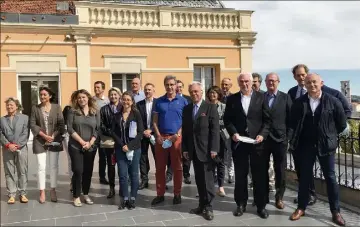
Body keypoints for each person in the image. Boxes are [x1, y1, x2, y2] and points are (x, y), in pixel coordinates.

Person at [289, 73, 346, 226]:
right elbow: (292, 123)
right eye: (308, 83)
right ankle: (301, 208)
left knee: (331, 178)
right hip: (305, 145)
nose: (311, 85)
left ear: (321, 83)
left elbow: (341, 124)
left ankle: (336, 211)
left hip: (326, 146)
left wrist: (329, 135)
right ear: (305, 85)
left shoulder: (333, 101)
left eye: (314, 82)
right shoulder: (299, 102)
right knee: (304, 178)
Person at [223, 72, 271, 219]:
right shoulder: (232, 99)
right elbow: (227, 120)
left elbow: (267, 120)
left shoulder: (262, 97)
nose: (245, 84)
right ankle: (241, 204)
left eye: (247, 81)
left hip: (258, 144)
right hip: (240, 143)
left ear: (252, 82)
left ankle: (261, 205)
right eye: (242, 81)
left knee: (260, 176)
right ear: (238, 83)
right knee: (241, 175)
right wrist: (233, 133)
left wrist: (262, 134)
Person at [182, 82, 219, 221]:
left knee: (208, 181)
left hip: (207, 151)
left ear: (202, 92)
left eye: (196, 91)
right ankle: (201, 205)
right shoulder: (187, 109)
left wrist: (214, 148)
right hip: (193, 150)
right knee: (199, 179)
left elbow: (215, 130)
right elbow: (185, 131)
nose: (194, 94)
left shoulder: (210, 107)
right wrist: (185, 148)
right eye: (191, 92)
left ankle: (209, 207)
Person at [151, 75, 188, 206]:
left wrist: (178, 134)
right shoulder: (159, 101)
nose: (170, 87)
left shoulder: (183, 101)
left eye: (172, 84)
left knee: (177, 168)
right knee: (160, 168)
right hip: (162, 138)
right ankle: (160, 194)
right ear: (164, 85)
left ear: (176, 85)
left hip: (177, 138)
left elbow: (186, 121)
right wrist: (158, 135)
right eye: (167, 84)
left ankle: (177, 194)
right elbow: (154, 121)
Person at [287, 64, 317, 205]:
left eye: (303, 74)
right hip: (296, 137)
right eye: (298, 75)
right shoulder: (291, 92)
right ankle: (303, 194)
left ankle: (311, 194)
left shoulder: (315, 89)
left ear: (307, 74)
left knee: (308, 167)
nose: (301, 77)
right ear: (294, 77)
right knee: (299, 167)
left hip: (311, 136)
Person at [30, 86, 65, 204]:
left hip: (54, 140)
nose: (42, 96)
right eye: (41, 94)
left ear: (50, 96)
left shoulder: (56, 107)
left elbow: (61, 124)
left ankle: (53, 189)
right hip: (40, 140)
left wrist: (53, 136)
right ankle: (42, 191)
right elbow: (33, 124)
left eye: (44, 94)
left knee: (54, 166)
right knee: (41, 166)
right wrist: (44, 136)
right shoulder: (35, 108)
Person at [263, 73, 292, 209]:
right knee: (261, 169)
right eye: (269, 81)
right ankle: (262, 197)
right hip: (263, 139)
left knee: (280, 170)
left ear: (278, 82)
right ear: (265, 82)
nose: (271, 83)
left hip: (280, 139)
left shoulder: (286, 98)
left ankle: (279, 197)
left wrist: (288, 137)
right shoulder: (260, 98)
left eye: (273, 81)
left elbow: (292, 119)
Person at [67, 89, 100, 207]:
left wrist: (90, 143)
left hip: (90, 147)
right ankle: (76, 196)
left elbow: (98, 129)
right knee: (78, 170)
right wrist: (82, 142)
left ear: (88, 98)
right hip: (76, 145)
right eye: (79, 97)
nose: (81, 99)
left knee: (88, 171)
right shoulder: (72, 111)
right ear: (76, 99)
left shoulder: (95, 111)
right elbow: (70, 129)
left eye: (84, 97)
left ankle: (85, 193)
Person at [112, 91, 143, 210]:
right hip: (120, 149)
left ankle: (133, 198)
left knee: (134, 174)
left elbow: (140, 133)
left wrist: (129, 146)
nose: (126, 102)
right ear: (121, 100)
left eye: (128, 100)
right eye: (124, 99)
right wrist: (122, 145)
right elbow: (113, 132)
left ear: (132, 102)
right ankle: (125, 198)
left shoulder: (136, 114)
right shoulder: (117, 115)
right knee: (123, 175)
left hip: (134, 149)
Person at [137, 83, 170, 190]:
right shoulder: (139, 104)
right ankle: (144, 180)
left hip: (155, 135)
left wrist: (151, 130)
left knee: (159, 158)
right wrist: (144, 131)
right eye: (146, 90)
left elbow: (160, 119)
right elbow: (138, 120)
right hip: (143, 135)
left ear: (153, 90)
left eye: (149, 90)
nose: (147, 92)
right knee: (143, 158)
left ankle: (161, 181)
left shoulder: (158, 103)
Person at [0, 97, 29, 204]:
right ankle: (11, 194)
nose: (9, 106)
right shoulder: (2, 119)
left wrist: (16, 145)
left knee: (22, 171)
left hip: (21, 148)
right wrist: (8, 145)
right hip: (7, 149)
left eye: (11, 104)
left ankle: (23, 193)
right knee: (9, 171)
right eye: (7, 105)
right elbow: (0, 134)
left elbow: (25, 133)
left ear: (17, 106)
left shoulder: (25, 118)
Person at [100, 87, 122, 198]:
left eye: (115, 94)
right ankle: (112, 188)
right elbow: (101, 124)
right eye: (111, 95)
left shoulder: (124, 107)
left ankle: (122, 188)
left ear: (119, 95)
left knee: (123, 165)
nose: (113, 96)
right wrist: (111, 133)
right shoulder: (104, 109)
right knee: (111, 165)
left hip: (122, 141)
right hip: (109, 141)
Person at [207, 86, 228, 197]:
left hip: (221, 137)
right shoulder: (205, 107)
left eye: (215, 93)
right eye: (210, 93)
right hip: (208, 137)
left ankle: (221, 187)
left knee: (220, 162)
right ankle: (208, 188)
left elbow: (227, 121)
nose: (212, 95)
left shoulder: (224, 107)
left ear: (219, 94)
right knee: (209, 163)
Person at [93, 81, 110, 185]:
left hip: (103, 133)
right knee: (91, 155)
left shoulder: (107, 101)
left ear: (103, 89)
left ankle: (102, 177)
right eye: (95, 87)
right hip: (93, 132)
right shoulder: (91, 100)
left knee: (103, 156)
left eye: (98, 88)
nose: (96, 89)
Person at [177, 80, 192, 184]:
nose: (179, 88)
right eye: (177, 87)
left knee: (186, 153)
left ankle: (186, 175)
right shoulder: (171, 98)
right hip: (174, 130)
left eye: (180, 87)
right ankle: (172, 174)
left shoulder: (188, 99)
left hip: (186, 129)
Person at [220, 78, 234, 183]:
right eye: (222, 84)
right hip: (219, 130)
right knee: (219, 152)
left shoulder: (234, 98)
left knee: (230, 153)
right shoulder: (217, 97)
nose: (224, 86)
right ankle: (219, 174)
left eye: (226, 84)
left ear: (230, 86)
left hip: (229, 130)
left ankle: (230, 174)